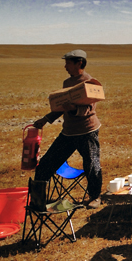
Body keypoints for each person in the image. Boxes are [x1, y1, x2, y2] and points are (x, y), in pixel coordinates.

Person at [33, 49, 103, 208]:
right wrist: (46, 119)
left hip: (87, 131)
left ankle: (95, 197)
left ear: (79, 63)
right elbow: (60, 106)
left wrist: (72, 108)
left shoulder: (90, 83)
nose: (65, 66)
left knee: (92, 165)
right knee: (45, 164)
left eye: (68, 63)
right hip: (69, 132)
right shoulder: (67, 83)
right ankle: (37, 200)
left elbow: (88, 109)